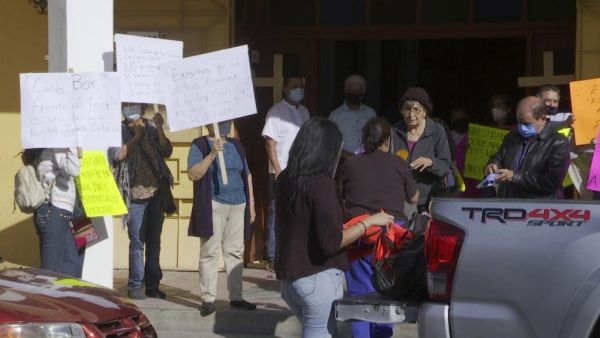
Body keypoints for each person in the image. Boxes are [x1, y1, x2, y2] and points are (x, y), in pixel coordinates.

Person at [275, 117, 394, 338]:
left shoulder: (284, 179)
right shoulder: (322, 184)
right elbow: (332, 241)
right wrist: (368, 222)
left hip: (290, 280)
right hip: (316, 278)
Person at [338, 117, 418, 338]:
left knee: (358, 298)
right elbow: (414, 197)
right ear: (388, 139)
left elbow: (340, 194)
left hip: (359, 236)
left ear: (364, 138)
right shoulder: (398, 163)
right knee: (386, 294)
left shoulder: (351, 163)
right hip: (390, 239)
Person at [187, 120, 257, 317]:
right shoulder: (199, 144)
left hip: (238, 203)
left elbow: (247, 174)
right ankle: (208, 299)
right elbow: (194, 174)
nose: (224, 124)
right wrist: (212, 155)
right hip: (214, 204)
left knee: (235, 251)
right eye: (220, 121)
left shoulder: (237, 145)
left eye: (227, 121)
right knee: (210, 251)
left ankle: (236, 297)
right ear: (209, 124)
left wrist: (250, 203)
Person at [110, 103, 173, 300]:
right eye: (126, 105)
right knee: (137, 242)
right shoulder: (118, 129)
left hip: (156, 194)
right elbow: (118, 155)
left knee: (154, 242)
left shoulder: (151, 127)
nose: (130, 108)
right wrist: (137, 136)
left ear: (142, 106)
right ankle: (135, 284)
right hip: (135, 195)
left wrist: (160, 127)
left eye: (133, 104)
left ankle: (153, 284)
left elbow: (166, 150)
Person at [261, 75, 310, 271]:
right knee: (276, 214)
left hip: (301, 172)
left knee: (297, 213)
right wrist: (278, 169)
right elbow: (269, 143)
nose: (298, 89)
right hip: (280, 172)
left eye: (301, 86)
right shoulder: (275, 113)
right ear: (285, 89)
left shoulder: (305, 112)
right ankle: (273, 257)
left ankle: (293, 253)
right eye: (294, 86)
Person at [485, 96, 570, 198]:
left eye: (527, 124)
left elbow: (550, 182)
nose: (522, 127)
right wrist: (493, 165)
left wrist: (514, 177)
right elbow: (498, 157)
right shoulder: (512, 136)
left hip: (538, 207)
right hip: (509, 203)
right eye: (519, 122)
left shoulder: (558, 142)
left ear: (543, 119)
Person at [391, 87, 452, 213]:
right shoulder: (394, 131)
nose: (411, 114)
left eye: (416, 110)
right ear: (402, 111)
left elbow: (446, 165)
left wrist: (430, 162)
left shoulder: (437, 131)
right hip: (399, 199)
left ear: (425, 111)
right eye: (407, 109)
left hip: (427, 200)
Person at [34, 147, 83, 277]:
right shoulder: (56, 150)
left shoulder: (56, 150)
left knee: (72, 260)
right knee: (50, 270)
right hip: (55, 209)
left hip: (67, 210)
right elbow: (73, 169)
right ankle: (48, 296)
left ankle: (65, 295)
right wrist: (74, 145)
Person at [329, 74, 377, 157]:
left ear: (363, 92)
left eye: (358, 91)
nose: (355, 93)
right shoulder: (335, 116)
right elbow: (330, 143)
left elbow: (376, 138)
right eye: (352, 90)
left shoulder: (371, 114)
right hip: (343, 163)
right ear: (346, 90)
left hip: (366, 161)